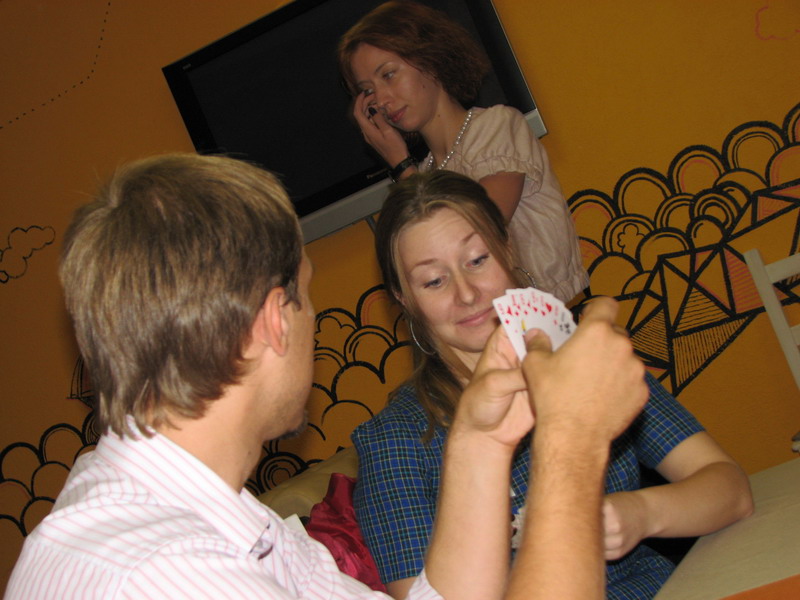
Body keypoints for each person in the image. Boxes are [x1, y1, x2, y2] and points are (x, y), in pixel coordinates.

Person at [6, 153, 650, 600]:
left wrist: (482, 441)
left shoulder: (209, 517)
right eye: (308, 297)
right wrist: (572, 443)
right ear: (273, 321)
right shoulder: (163, 574)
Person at [353, 170, 755, 600]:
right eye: (434, 281)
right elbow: (418, 592)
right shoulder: (393, 439)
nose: (467, 294)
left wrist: (640, 513)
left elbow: (730, 489)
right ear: (405, 299)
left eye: (477, 260)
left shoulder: (583, 359)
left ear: (507, 247)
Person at [338, 0, 589, 303]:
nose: (381, 100)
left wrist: (401, 164)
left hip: (552, 320)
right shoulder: (425, 174)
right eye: (368, 90)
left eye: (389, 75)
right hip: (494, 329)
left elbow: (476, 232)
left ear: (430, 59)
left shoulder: (496, 126)